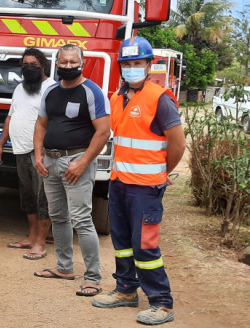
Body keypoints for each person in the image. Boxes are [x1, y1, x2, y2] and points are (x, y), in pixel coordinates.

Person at [92, 37, 185, 325]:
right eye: (127, 64)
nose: (132, 68)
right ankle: (125, 290)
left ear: (148, 65)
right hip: (119, 183)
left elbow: (178, 144)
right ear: (120, 66)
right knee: (121, 242)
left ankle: (162, 302)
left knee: (145, 245)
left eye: (138, 63)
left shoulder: (160, 99)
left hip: (146, 188)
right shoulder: (117, 98)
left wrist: (161, 172)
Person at [32, 44, 110, 297]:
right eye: (63, 62)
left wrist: (83, 162)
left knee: (82, 221)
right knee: (59, 217)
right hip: (51, 163)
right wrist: (38, 154)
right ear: (57, 64)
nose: (67, 66)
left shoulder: (92, 92)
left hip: (76, 163)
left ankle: (93, 278)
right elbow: (41, 125)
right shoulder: (51, 91)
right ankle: (64, 267)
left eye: (72, 62)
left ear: (82, 63)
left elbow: (103, 132)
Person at [0, 48, 53, 260]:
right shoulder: (19, 88)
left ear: (43, 66)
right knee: (27, 196)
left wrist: (45, 150)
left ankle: (40, 243)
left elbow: (53, 122)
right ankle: (30, 236)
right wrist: (1, 144)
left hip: (40, 153)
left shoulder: (51, 88)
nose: (29, 69)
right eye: (25, 65)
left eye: (33, 65)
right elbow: (11, 117)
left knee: (42, 198)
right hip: (19, 149)